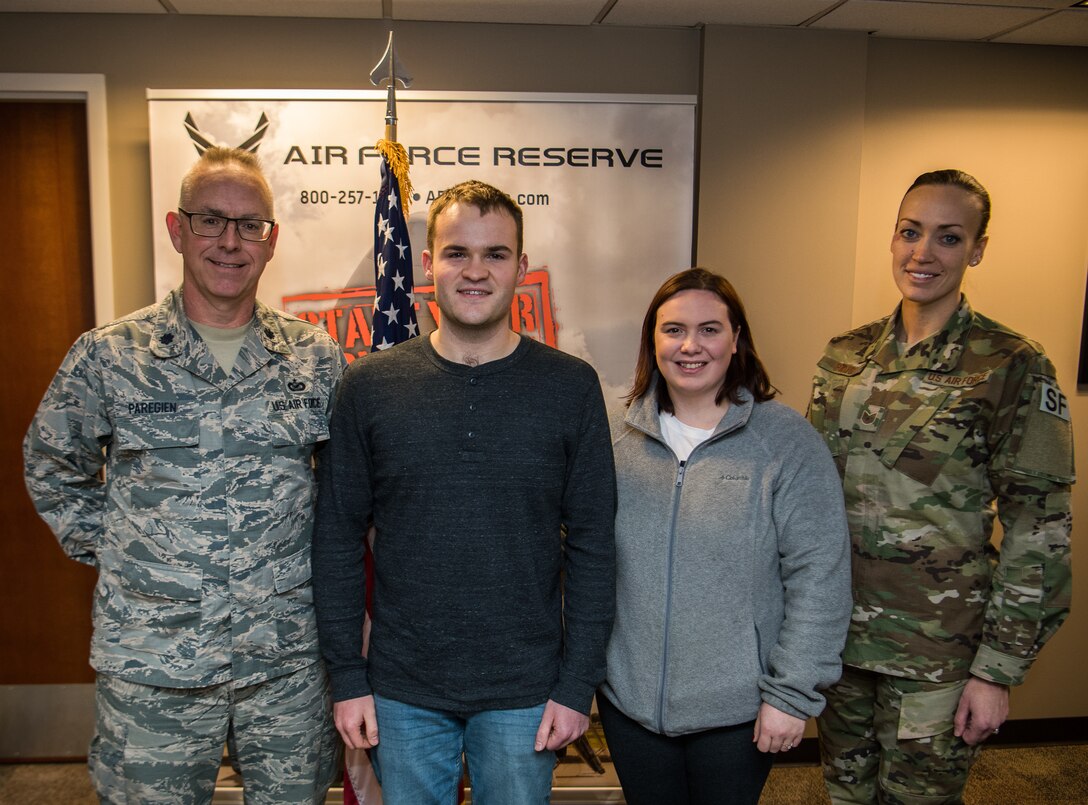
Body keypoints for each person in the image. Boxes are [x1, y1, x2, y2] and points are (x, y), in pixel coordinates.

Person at [23, 147, 343, 804]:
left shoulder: (315, 358)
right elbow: (52, 466)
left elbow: (345, 491)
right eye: (210, 221)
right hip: (153, 665)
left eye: (250, 225)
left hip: (285, 661)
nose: (230, 241)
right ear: (178, 228)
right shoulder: (111, 354)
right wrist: (125, 549)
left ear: (272, 240)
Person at [311, 179, 616, 805]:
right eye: (457, 253)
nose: (475, 271)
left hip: (526, 691)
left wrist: (576, 682)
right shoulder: (369, 387)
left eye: (495, 254)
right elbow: (338, 537)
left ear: (521, 267)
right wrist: (347, 676)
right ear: (428, 265)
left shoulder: (570, 387)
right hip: (401, 689)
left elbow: (593, 545)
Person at [809, 169, 1074, 804]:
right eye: (910, 232)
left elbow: (1040, 526)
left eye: (948, 238)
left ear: (978, 249)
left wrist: (998, 670)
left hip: (937, 656)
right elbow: (808, 500)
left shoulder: (1012, 363)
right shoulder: (844, 357)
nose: (923, 253)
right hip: (838, 641)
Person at [598, 267, 852, 805]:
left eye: (710, 329)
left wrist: (791, 693)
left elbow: (820, 575)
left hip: (739, 713)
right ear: (652, 340)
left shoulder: (784, 441)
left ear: (736, 340)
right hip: (629, 707)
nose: (691, 345)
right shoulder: (614, 438)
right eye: (673, 330)